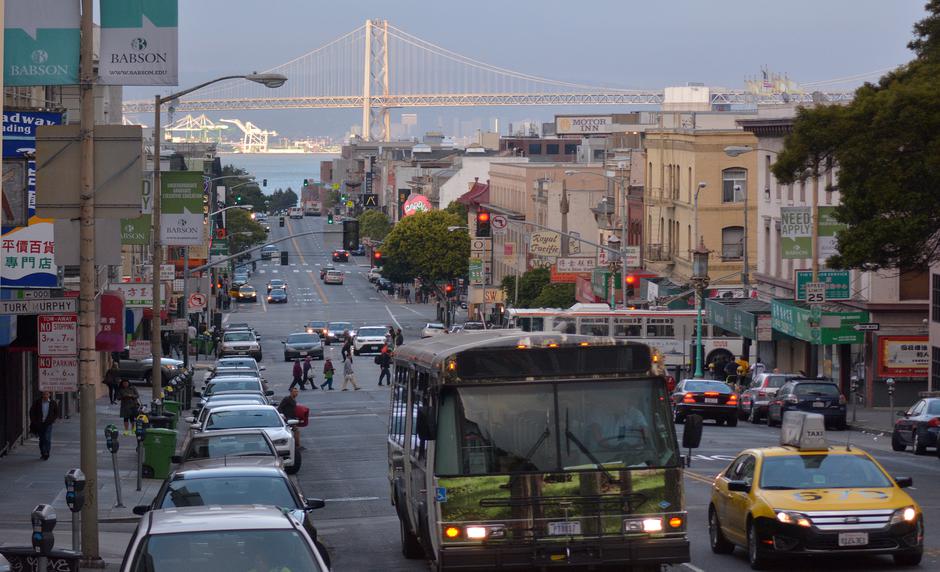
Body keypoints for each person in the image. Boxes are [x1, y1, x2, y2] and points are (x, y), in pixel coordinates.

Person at [29, 392, 59, 460]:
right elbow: (32, 411)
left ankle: (47, 453)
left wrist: (52, 420)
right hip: (39, 424)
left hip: (48, 423)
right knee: (42, 439)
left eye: (47, 394)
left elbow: (56, 412)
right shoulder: (37, 402)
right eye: (44, 394)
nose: (45, 395)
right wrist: (34, 421)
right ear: (42, 395)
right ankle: (43, 452)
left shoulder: (53, 403)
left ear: (49, 395)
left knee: (47, 438)